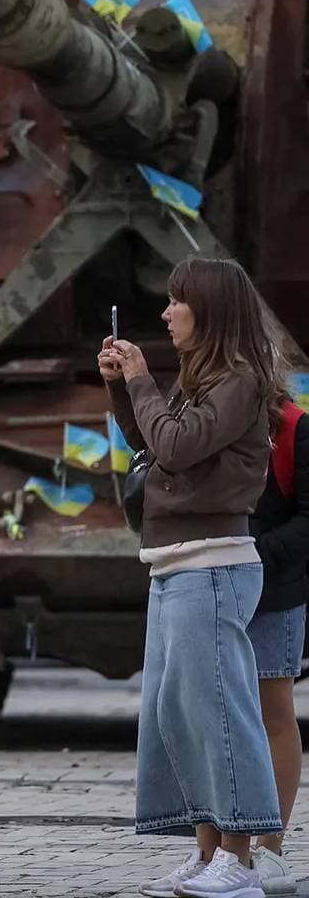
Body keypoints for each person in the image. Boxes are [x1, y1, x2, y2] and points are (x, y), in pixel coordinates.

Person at [101, 257, 283, 898]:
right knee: (177, 715)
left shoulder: (237, 380)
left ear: (208, 310)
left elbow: (178, 448)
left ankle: (241, 858)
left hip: (212, 566)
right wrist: (126, 390)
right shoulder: (199, 381)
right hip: (174, 563)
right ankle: (208, 854)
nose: (167, 312)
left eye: (178, 301)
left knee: (220, 715)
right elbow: (154, 447)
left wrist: (145, 380)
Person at [245, 382, 309, 896]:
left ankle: (270, 848)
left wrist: (255, 553)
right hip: (214, 585)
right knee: (219, 716)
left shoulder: (292, 426)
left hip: (276, 593)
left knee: (273, 713)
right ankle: (219, 850)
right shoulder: (203, 414)